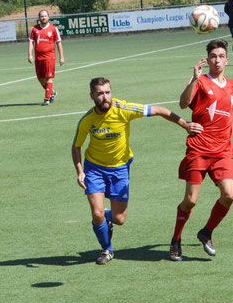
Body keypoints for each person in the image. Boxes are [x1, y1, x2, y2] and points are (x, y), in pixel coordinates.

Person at [72, 77, 203, 265]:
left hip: (120, 168)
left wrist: (185, 124)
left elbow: (160, 110)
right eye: (100, 93)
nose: (105, 97)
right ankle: (106, 250)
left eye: (108, 92)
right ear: (92, 96)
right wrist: (80, 171)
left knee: (119, 219)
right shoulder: (87, 120)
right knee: (96, 213)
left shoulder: (124, 109)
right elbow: (76, 146)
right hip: (95, 169)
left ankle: (106, 218)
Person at [169, 39, 233, 261]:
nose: (217, 60)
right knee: (190, 201)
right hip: (198, 149)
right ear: (208, 59)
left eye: (221, 56)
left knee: (229, 194)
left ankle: (206, 232)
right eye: (213, 56)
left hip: (222, 151)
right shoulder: (201, 81)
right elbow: (183, 104)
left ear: (227, 60)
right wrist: (193, 78)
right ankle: (176, 239)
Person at [28, 9, 65, 106]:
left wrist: (61, 57)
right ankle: (51, 92)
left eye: (45, 16)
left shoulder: (53, 29)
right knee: (40, 78)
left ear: (48, 17)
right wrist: (30, 55)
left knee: (49, 77)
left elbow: (58, 43)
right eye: (41, 16)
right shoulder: (34, 29)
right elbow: (31, 42)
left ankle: (47, 98)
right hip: (38, 58)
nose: (43, 18)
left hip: (50, 57)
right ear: (39, 18)